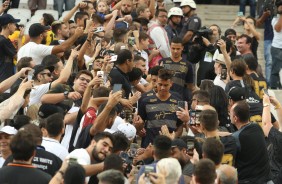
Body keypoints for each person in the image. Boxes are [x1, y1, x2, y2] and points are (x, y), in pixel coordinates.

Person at [138, 69, 183, 148]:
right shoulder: (145, 101)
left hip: (170, 146)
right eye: (160, 84)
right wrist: (139, 129)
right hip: (150, 146)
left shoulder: (178, 102)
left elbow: (180, 126)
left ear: (171, 84)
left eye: (165, 85)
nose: (162, 88)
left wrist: (173, 138)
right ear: (156, 83)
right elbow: (140, 123)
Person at [230, 101, 271, 183]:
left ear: (235, 118)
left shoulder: (235, 138)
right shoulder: (257, 127)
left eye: (230, 113)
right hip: (266, 179)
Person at [17, 23, 84, 65]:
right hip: (32, 82)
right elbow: (62, 48)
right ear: (41, 36)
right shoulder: (37, 48)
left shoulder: (22, 49)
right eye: (45, 32)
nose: (47, 34)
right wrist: (76, 35)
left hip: (21, 82)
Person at [0, 14, 20, 83]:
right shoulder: (3, 41)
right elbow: (18, 57)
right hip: (4, 78)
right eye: (14, 24)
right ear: (9, 25)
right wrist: (20, 39)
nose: (15, 27)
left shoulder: (5, 40)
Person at [270, 1, 282, 89]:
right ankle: (274, 89)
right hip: (277, 47)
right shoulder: (275, 19)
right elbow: (277, 29)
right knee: (275, 70)